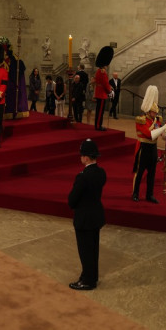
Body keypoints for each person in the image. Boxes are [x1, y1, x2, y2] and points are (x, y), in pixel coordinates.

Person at [67, 139, 106, 291]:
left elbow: (72, 200)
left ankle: (88, 280)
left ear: (86, 157)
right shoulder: (101, 173)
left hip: (84, 218)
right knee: (93, 249)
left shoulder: (83, 177)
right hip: (96, 215)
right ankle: (91, 276)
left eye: (82, 155)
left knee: (85, 252)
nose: (80, 157)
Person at [132, 86, 166, 203]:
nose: (155, 113)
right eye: (154, 112)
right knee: (139, 173)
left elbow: (160, 135)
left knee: (152, 173)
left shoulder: (157, 120)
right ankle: (135, 193)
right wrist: (163, 128)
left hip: (153, 148)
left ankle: (150, 194)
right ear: (149, 111)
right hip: (143, 148)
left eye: (156, 112)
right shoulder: (141, 120)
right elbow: (149, 134)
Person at [93, 46, 114, 131]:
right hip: (102, 94)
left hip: (99, 92)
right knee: (100, 112)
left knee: (99, 111)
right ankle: (98, 126)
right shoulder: (103, 72)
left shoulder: (99, 71)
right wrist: (110, 91)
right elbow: (105, 84)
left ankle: (98, 125)